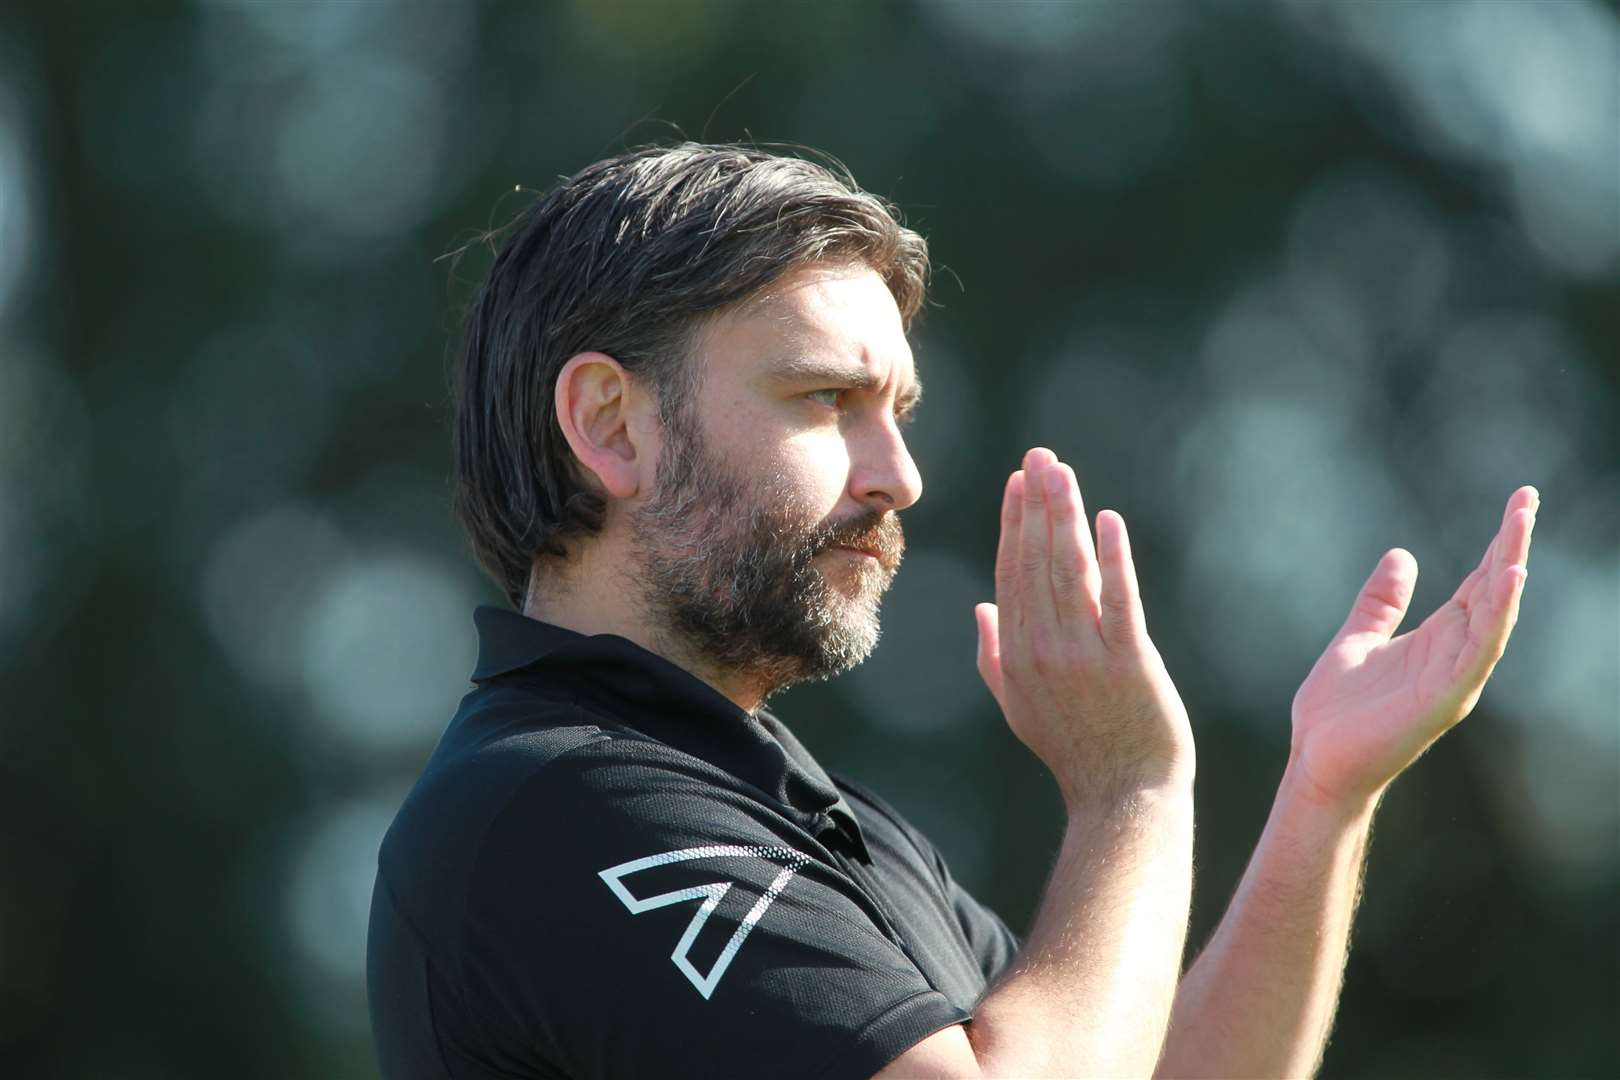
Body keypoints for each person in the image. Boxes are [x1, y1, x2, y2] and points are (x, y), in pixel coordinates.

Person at [365, 142, 1538, 1079]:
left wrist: (1324, 799)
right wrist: (1128, 791)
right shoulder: (556, 807)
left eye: (900, 410)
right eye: (825, 398)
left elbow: (1117, 1065)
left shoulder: (821, 822)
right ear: (612, 424)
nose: (898, 476)